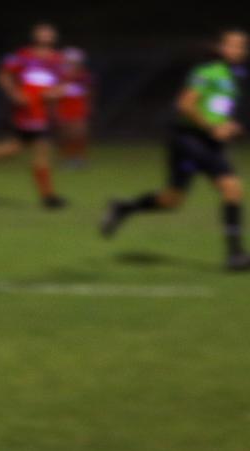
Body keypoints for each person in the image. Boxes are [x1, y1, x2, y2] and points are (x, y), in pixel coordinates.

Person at [101, 29, 250, 271]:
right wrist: (213, 127)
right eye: (233, 45)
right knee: (231, 187)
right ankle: (235, 255)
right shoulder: (207, 71)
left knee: (171, 200)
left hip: (207, 141)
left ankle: (124, 207)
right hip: (188, 139)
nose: (239, 50)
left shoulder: (234, 76)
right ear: (221, 48)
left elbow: (216, 109)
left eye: (242, 46)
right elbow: (185, 105)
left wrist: (228, 125)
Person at [0, 21, 68, 209]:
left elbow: (63, 84)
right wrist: (15, 94)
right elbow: (2, 75)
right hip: (27, 109)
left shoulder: (58, 59)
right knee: (42, 146)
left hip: (43, 109)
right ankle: (48, 197)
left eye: (49, 33)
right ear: (35, 35)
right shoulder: (22, 56)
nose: (46, 36)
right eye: (42, 32)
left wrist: (56, 92)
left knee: (15, 147)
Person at [56, 47, 93, 167]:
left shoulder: (84, 77)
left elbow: (90, 93)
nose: (72, 64)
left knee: (79, 133)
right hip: (64, 109)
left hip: (79, 109)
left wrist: (89, 107)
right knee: (65, 135)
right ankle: (67, 158)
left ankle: (80, 158)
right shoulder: (59, 77)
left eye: (74, 62)